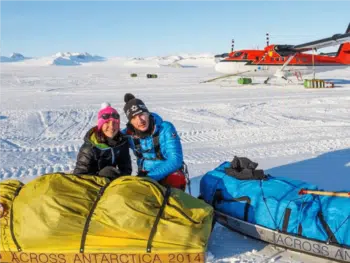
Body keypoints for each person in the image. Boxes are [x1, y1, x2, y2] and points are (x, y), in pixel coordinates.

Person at [122, 93, 187, 190]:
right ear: (130, 122)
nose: (140, 120)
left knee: (176, 179)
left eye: (141, 114)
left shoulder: (166, 128)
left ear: (148, 114)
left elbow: (175, 159)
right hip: (144, 173)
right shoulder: (128, 134)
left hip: (167, 172)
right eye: (134, 118)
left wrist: (150, 177)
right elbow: (112, 137)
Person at [73, 102, 132, 179]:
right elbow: (80, 175)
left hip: (111, 182)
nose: (111, 127)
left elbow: (125, 168)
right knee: (107, 172)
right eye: (107, 122)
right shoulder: (90, 147)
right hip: (92, 182)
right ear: (100, 125)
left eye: (115, 123)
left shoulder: (121, 142)